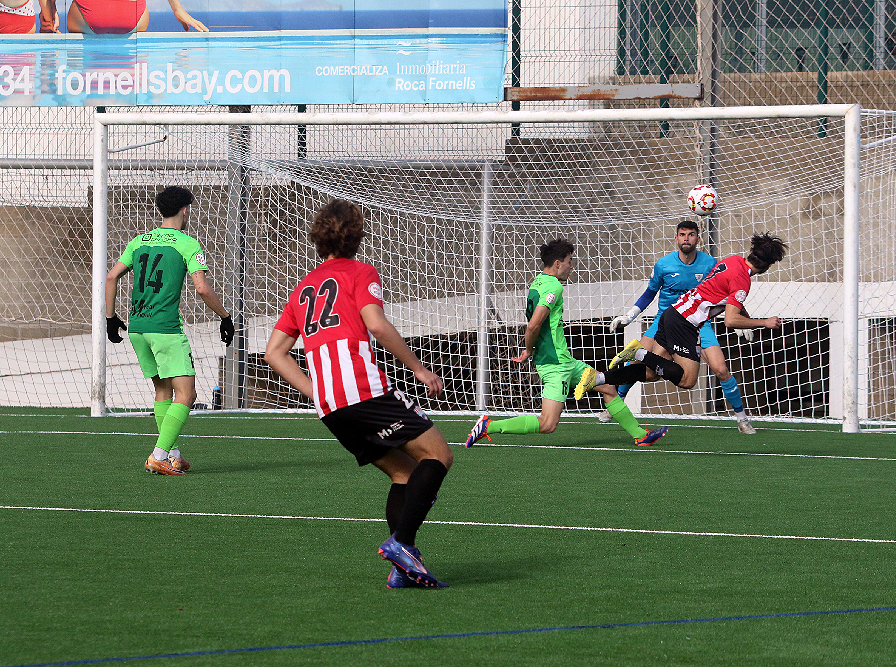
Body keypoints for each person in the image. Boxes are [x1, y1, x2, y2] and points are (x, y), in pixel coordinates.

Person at [263, 198, 453, 589]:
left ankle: (403, 568)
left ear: (319, 237)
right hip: (365, 391)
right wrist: (418, 368)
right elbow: (377, 326)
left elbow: (273, 353)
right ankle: (402, 544)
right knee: (438, 455)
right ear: (356, 234)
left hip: (331, 407)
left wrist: (317, 392)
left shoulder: (303, 289)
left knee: (403, 473)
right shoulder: (360, 272)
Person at [465, 238, 669, 449]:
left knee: (609, 388)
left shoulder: (538, 281)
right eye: (569, 262)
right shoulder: (554, 287)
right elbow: (534, 325)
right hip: (555, 365)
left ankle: (639, 435)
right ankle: (489, 426)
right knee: (547, 424)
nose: (571, 267)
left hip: (565, 361)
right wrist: (528, 349)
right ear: (557, 263)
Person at [575, 232, 788, 415]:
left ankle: (599, 377)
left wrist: (746, 318)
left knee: (651, 373)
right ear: (770, 264)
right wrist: (763, 322)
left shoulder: (732, 261)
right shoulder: (743, 280)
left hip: (673, 314)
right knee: (687, 380)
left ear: (751, 251)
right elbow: (730, 320)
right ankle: (638, 354)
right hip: (685, 322)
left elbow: (728, 297)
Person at [105, 186, 235, 476]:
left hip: (138, 327)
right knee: (186, 395)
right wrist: (224, 317)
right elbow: (201, 288)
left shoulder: (138, 242)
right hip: (165, 328)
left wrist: (110, 318)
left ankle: (173, 454)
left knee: (163, 390)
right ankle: (158, 455)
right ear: (185, 209)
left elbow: (111, 276)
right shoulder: (188, 244)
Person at [603, 220, 758, 434]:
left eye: (691, 234)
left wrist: (740, 317)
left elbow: (730, 289)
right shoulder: (663, 265)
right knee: (644, 366)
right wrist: (631, 315)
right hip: (666, 320)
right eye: (682, 234)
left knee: (721, 369)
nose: (687, 238)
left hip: (699, 323)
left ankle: (742, 419)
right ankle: (616, 403)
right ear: (676, 239)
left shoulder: (710, 263)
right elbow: (650, 293)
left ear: (698, 238)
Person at [67, 0, 207, 34]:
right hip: (132, 14)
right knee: (137, 83)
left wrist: (49, 16)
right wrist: (177, 9)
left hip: (88, 12)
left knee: (75, 82)